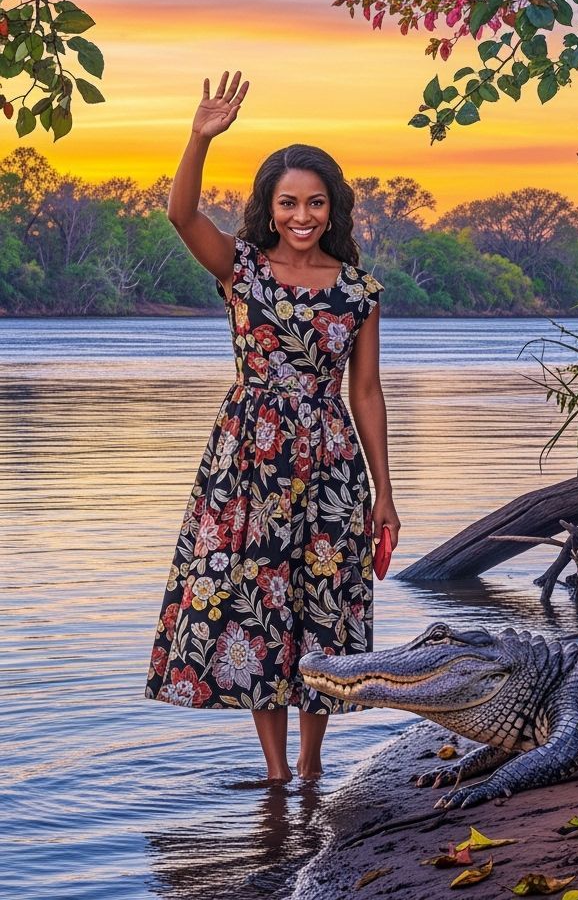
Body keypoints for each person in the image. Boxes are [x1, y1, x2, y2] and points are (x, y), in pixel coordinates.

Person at [145, 71, 400, 783]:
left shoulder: (358, 290)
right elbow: (181, 214)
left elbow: (369, 392)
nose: (302, 215)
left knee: (322, 607)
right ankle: (277, 773)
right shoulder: (243, 270)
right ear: (269, 205)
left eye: (315, 203)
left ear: (333, 208)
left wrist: (385, 493)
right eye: (288, 202)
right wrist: (198, 137)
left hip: (330, 461)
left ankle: (314, 765)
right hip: (247, 461)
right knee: (257, 608)